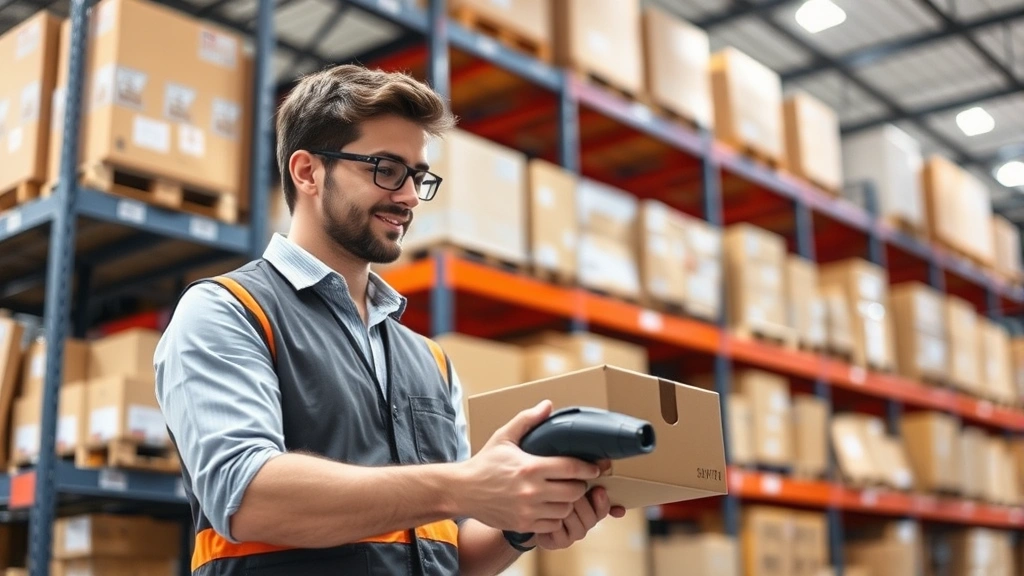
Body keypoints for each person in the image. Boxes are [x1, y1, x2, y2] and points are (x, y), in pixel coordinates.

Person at [154, 63, 626, 576]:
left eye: (418, 177)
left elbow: (445, 552)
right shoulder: (229, 311)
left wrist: (521, 523)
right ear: (308, 172)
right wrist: (462, 483)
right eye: (385, 168)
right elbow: (246, 496)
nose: (406, 197)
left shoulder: (430, 360)